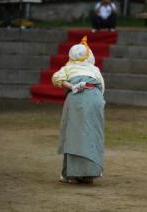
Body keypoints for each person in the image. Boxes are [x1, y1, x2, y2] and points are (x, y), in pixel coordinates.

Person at [52, 36, 105, 185]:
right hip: (95, 99)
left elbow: (56, 78)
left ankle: (72, 174)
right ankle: (89, 174)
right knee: (92, 134)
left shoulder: (68, 68)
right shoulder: (94, 69)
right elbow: (101, 86)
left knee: (74, 134)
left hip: (76, 99)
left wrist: (72, 86)